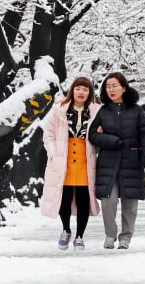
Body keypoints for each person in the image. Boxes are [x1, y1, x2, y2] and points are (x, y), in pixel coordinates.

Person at [88, 71, 145, 250]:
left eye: (114, 86)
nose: (111, 89)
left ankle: (126, 237)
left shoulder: (137, 110)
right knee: (107, 200)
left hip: (132, 161)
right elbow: (92, 135)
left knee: (130, 202)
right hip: (108, 162)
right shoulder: (103, 111)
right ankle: (110, 234)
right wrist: (112, 141)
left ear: (124, 88)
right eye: (108, 86)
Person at [41, 76, 102, 250]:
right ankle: (66, 229)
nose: (81, 92)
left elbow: (101, 134)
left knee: (84, 199)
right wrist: (54, 152)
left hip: (85, 159)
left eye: (85, 89)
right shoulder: (59, 110)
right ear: (72, 91)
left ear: (90, 93)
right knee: (64, 198)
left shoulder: (97, 111)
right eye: (78, 89)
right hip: (63, 159)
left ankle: (80, 236)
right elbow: (48, 133)